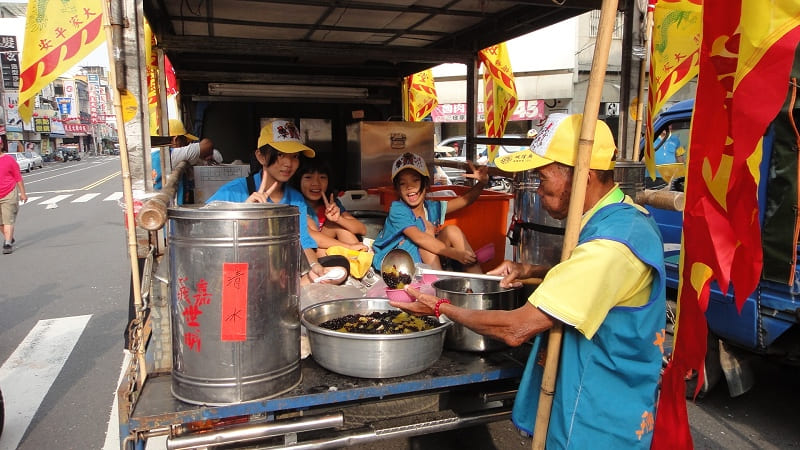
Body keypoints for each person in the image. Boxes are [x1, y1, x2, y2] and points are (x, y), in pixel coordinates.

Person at [392, 113, 666, 448]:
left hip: (597, 419)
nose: (537, 189)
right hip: (596, 399)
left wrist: (439, 305)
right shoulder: (619, 216)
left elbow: (515, 328)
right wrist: (530, 270)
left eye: (542, 177)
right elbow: (589, 283)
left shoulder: (611, 245)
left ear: (585, 177)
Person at [207, 119, 347, 285]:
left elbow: (303, 240)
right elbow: (202, 231)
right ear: (260, 156)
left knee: (340, 273)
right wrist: (243, 213)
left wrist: (314, 266)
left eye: (294, 156)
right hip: (238, 278)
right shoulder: (234, 191)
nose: (288, 163)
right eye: (280, 154)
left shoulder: (295, 198)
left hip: (281, 278)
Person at [371, 152, 488, 274]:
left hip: (423, 260)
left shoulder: (431, 208)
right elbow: (420, 238)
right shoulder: (398, 209)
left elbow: (464, 201)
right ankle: (438, 285)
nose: (409, 187)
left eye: (415, 180)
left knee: (452, 231)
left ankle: (479, 284)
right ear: (398, 189)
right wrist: (455, 254)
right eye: (402, 183)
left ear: (425, 184)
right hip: (395, 263)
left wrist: (481, 183)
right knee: (426, 236)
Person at [291, 158, 368, 257]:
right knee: (324, 251)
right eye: (308, 177)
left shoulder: (331, 203)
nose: (316, 183)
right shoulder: (296, 203)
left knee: (339, 226)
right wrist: (348, 247)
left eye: (322, 177)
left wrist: (338, 219)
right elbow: (311, 236)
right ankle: (357, 260)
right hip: (305, 251)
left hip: (329, 247)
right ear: (298, 180)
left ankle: (360, 262)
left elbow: (362, 229)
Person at [151, 119, 221, 204]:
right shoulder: (172, 155)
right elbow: (207, 145)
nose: (187, 145)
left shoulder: (153, 156)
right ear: (176, 140)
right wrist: (204, 154)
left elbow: (217, 156)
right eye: (186, 141)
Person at [0, 148, 28, 254]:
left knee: (8, 219)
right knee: (1, 223)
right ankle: (10, 237)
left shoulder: (9, 160)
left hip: (9, 193)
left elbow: (18, 177)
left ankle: (7, 243)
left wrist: (23, 193)